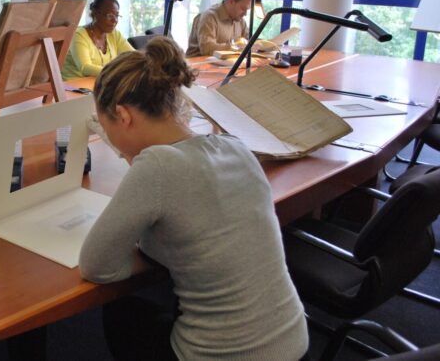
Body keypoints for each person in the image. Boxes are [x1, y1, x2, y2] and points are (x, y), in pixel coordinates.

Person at [79, 36, 308, 361]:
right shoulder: (236, 148)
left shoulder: (156, 167)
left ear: (123, 115)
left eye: (106, 126)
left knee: (122, 313)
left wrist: (150, 250)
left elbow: (96, 266)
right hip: (294, 344)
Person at [61, 0, 134, 80]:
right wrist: (116, 72)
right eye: (110, 16)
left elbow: (133, 56)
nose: (115, 20)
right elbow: (85, 67)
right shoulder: (78, 35)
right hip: (74, 88)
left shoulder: (114, 34)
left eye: (117, 16)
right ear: (96, 14)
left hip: (99, 84)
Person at [186, 0, 253, 57]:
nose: (245, 14)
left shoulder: (240, 20)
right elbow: (207, 49)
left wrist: (260, 44)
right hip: (198, 64)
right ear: (231, 1)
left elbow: (249, 39)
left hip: (225, 65)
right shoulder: (209, 17)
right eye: (243, 8)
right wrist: (235, 47)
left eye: (247, 10)